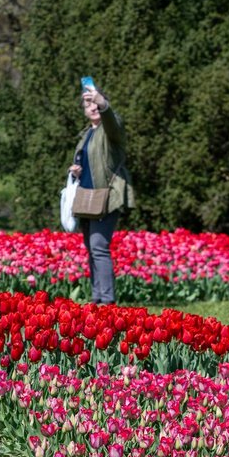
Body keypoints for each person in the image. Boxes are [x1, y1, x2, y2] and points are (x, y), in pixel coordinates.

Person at [67, 83, 135, 305]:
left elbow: (112, 121)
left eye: (95, 102)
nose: (92, 106)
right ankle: (97, 297)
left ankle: (107, 301)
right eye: (88, 104)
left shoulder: (109, 131)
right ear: (84, 110)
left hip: (107, 197)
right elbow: (88, 162)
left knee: (99, 247)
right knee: (91, 249)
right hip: (87, 197)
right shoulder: (86, 134)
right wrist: (76, 170)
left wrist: (101, 101)